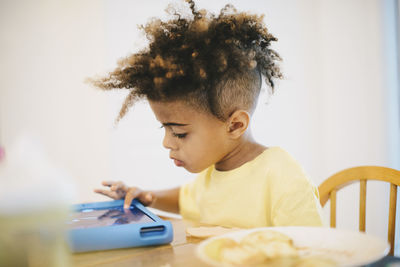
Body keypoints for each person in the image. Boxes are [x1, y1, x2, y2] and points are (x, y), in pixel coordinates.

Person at [90, 0, 324, 228]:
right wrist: (148, 197)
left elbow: (313, 251)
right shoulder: (213, 172)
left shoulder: (282, 176)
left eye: (179, 133)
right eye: (165, 129)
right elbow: (187, 199)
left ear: (235, 125)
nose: (166, 143)